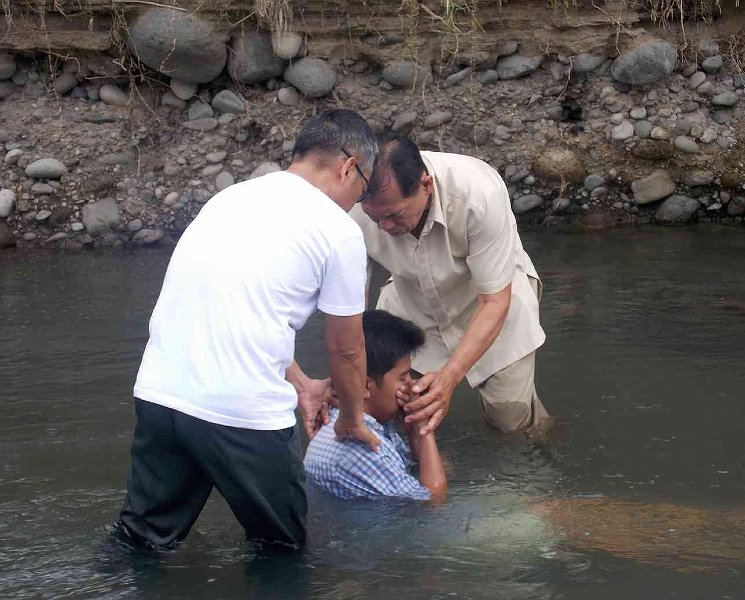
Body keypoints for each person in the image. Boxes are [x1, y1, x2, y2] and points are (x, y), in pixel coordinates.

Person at [115, 109, 381, 551]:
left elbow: (236, 311)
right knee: (281, 549)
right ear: (348, 166)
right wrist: (352, 419)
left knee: (138, 543)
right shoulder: (339, 232)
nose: (358, 202)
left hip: (161, 396)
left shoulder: (231, 198)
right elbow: (347, 349)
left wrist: (300, 383)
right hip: (243, 418)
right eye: (363, 188)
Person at [350, 132, 550, 439]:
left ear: (426, 185)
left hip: (489, 300)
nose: (385, 228)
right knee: (396, 409)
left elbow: (495, 300)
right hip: (410, 301)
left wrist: (449, 378)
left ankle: (542, 460)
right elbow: (351, 306)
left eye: (393, 216)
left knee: (512, 423)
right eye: (374, 219)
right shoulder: (350, 204)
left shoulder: (477, 193)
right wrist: (352, 376)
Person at [304, 309, 447, 501]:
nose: (412, 386)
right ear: (365, 386)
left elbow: (424, 469)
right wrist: (424, 429)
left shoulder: (367, 423)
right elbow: (434, 500)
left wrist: (413, 433)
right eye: (402, 377)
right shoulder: (363, 446)